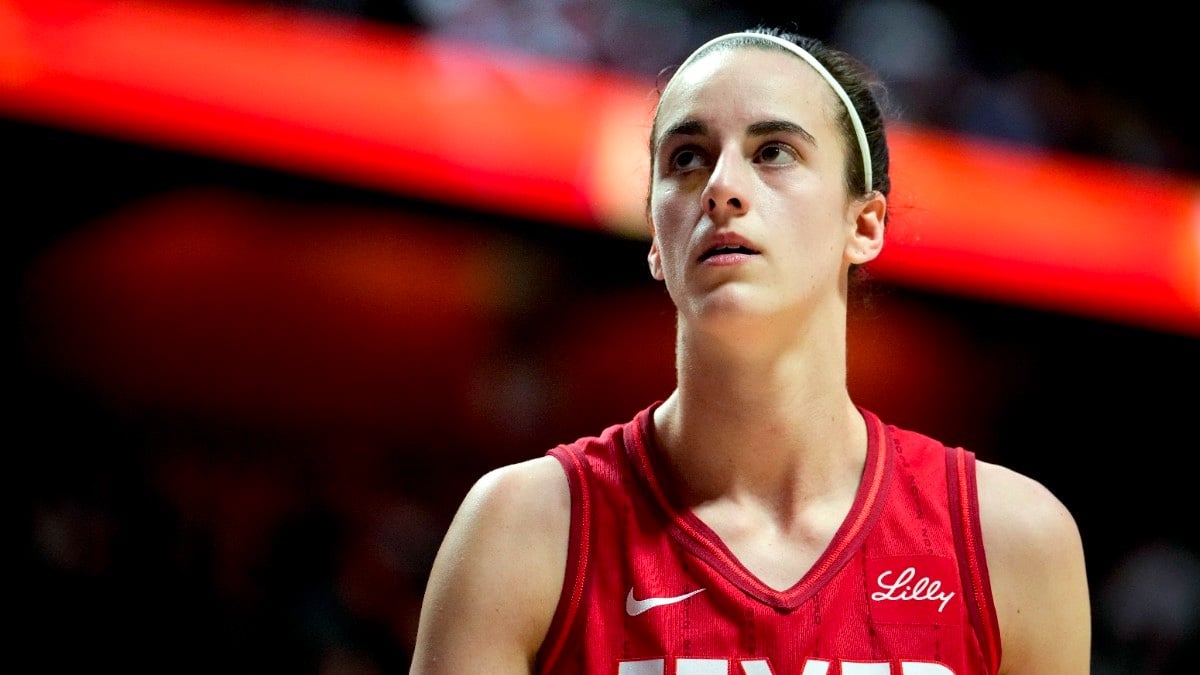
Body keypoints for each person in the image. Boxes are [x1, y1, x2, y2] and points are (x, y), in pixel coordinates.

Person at [409, 26, 1091, 674]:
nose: (721, 187)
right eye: (686, 158)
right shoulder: (519, 532)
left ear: (866, 224)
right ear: (655, 237)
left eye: (773, 152)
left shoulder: (1013, 544)